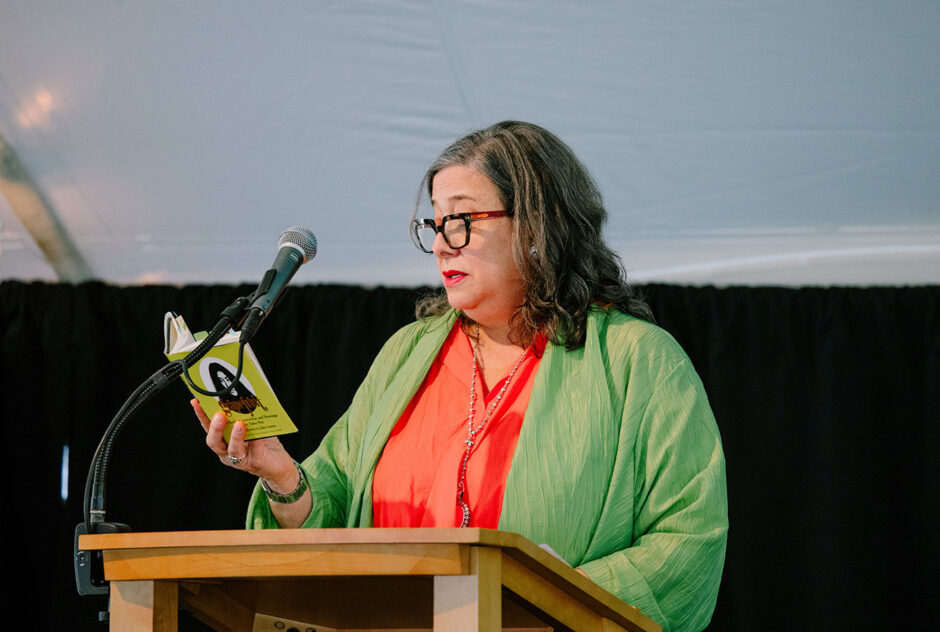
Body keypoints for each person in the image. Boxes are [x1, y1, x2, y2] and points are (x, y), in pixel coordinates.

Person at [193, 120, 728, 632]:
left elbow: (688, 542)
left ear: (538, 227)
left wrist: (536, 601)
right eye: (435, 223)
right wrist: (283, 477)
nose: (444, 243)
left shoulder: (638, 360)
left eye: (462, 220)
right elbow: (332, 515)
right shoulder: (408, 355)